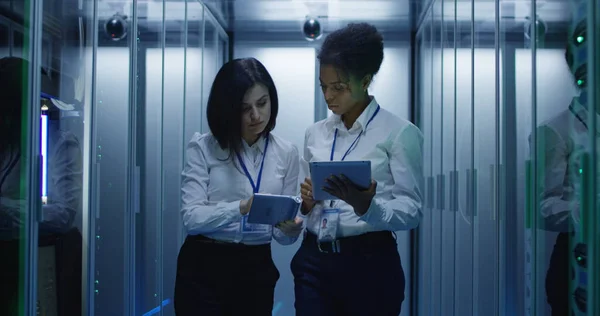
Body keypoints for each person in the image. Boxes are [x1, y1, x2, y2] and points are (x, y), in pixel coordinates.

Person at [292, 23, 424, 315]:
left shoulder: (400, 132)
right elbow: (302, 204)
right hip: (315, 260)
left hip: (370, 263)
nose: (328, 96)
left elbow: (412, 210)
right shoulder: (315, 133)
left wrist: (368, 207)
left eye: (338, 87)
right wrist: (304, 203)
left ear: (365, 81)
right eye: (323, 86)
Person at [174, 57, 304, 316]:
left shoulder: (286, 152)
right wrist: (242, 207)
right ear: (227, 108)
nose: (256, 115)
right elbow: (192, 217)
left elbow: (281, 236)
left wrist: (291, 230)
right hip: (204, 265)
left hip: (256, 267)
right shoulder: (203, 148)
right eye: (245, 108)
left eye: (262, 103)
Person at [0, 56, 83, 316]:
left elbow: (64, 214)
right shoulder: (6, 144)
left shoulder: (57, 143)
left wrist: (6, 209)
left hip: (29, 255)